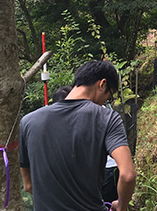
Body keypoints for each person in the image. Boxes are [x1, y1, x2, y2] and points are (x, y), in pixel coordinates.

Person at [20, 61, 136, 211]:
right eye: (109, 95)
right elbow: (127, 175)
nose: (105, 102)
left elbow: (28, 185)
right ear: (102, 84)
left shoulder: (28, 122)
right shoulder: (107, 118)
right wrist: (121, 205)